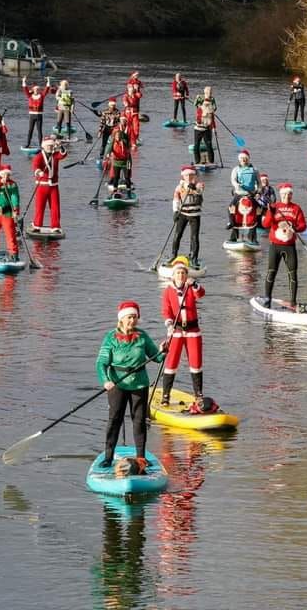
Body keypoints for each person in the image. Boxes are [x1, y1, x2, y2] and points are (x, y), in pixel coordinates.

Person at [96, 301, 168, 468]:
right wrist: (105, 381)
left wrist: (163, 351)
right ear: (121, 319)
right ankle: (108, 457)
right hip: (117, 384)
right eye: (130, 317)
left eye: (135, 317)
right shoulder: (110, 338)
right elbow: (101, 363)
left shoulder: (142, 337)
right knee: (115, 420)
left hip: (139, 384)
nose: (133, 321)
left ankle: (141, 457)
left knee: (139, 421)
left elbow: (156, 358)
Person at [160, 257, 206, 405]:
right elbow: (166, 310)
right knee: (172, 361)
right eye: (178, 273)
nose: (181, 276)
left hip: (193, 331)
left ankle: (198, 394)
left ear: (187, 275)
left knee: (196, 362)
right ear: (173, 275)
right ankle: (166, 395)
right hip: (176, 331)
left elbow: (201, 294)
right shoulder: (168, 291)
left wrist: (195, 285)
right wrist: (169, 324)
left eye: (183, 273)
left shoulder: (190, 288)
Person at [260, 183, 307, 310]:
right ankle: (267, 299)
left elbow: (303, 226)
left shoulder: (296, 208)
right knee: (271, 272)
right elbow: (265, 224)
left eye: (289, 194)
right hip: (275, 246)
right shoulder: (274, 207)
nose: (287, 196)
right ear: (281, 195)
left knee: (293, 274)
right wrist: (270, 212)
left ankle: (293, 302)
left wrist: (296, 228)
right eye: (285, 194)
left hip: (290, 246)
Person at [31, 135, 67, 231]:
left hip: (53, 186)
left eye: (51, 146)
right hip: (42, 185)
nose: (50, 147)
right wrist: (39, 172)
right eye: (48, 146)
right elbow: (35, 166)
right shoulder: (38, 157)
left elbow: (63, 155)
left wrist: (61, 146)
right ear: (44, 146)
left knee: (55, 207)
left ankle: (55, 226)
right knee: (40, 206)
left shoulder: (55, 155)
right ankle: (37, 225)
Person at [171, 166, 203, 266]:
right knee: (177, 235)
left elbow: (199, 191)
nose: (189, 177)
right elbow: (176, 200)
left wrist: (194, 188)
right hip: (183, 214)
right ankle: (173, 256)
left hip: (194, 215)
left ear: (194, 175)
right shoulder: (179, 187)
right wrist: (175, 211)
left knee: (194, 237)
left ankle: (194, 258)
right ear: (183, 176)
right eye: (186, 175)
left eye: (191, 175)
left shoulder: (199, 185)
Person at [228, 149, 260, 243]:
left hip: (250, 195)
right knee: (230, 208)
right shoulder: (236, 169)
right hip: (238, 194)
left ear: (248, 159)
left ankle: (252, 237)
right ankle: (232, 228)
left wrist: (258, 191)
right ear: (239, 159)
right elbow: (233, 180)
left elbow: (259, 183)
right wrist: (236, 185)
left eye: (245, 158)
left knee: (258, 210)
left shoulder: (255, 170)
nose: (244, 160)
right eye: (242, 158)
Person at [22, 75, 54, 147]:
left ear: (39, 90)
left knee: (39, 130)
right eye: (35, 89)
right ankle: (28, 144)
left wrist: (48, 81)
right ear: (33, 90)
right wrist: (24, 81)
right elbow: (25, 89)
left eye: (37, 89)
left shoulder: (41, 96)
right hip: (32, 115)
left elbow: (46, 89)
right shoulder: (29, 96)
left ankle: (40, 145)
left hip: (39, 115)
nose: (36, 90)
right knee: (30, 130)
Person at [107, 118, 133, 193]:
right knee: (116, 177)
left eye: (119, 136)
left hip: (126, 162)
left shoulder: (124, 141)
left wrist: (122, 138)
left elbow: (127, 141)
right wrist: (108, 154)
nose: (117, 137)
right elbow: (109, 148)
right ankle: (115, 190)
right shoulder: (113, 141)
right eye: (116, 136)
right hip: (116, 162)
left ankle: (128, 190)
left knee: (127, 177)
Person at [193, 87, 216, 164]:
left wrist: (214, 129)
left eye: (208, 104)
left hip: (207, 130)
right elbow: (195, 104)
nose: (207, 105)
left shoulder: (211, 109)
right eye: (206, 104)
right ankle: (197, 161)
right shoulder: (199, 108)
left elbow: (212, 120)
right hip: (198, 129)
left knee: (209, 146)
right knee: (196, 146)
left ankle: (211, 162)